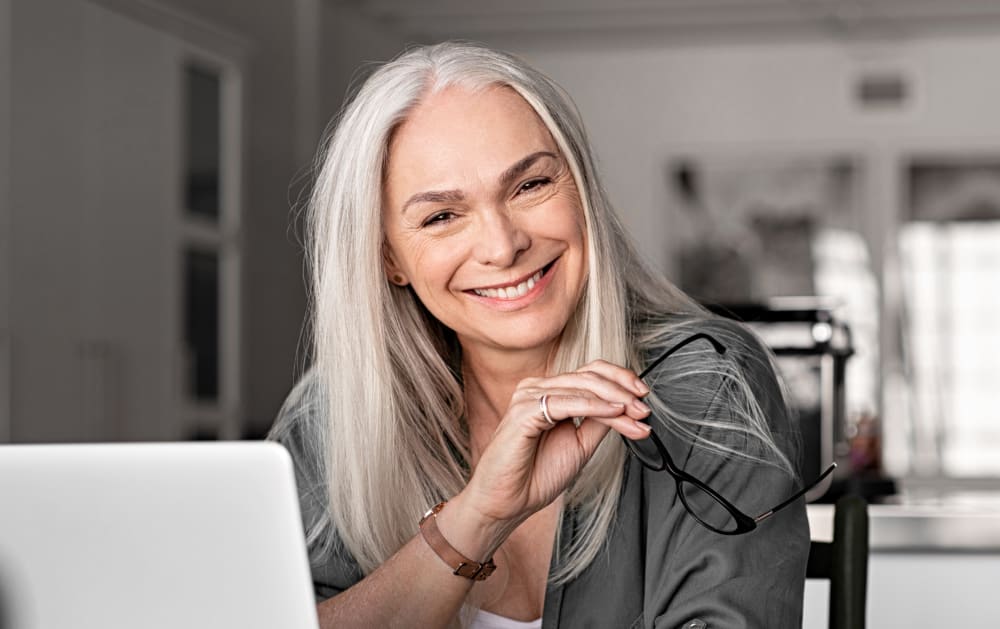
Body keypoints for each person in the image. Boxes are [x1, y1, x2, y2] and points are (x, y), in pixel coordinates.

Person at [269, 41, 810, 629]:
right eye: (442, 217)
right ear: (388, 259)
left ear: (582, 190)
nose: (503, 246)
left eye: (529, 185)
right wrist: (474, 521)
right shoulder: (333, 417)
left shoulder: (706, 380)